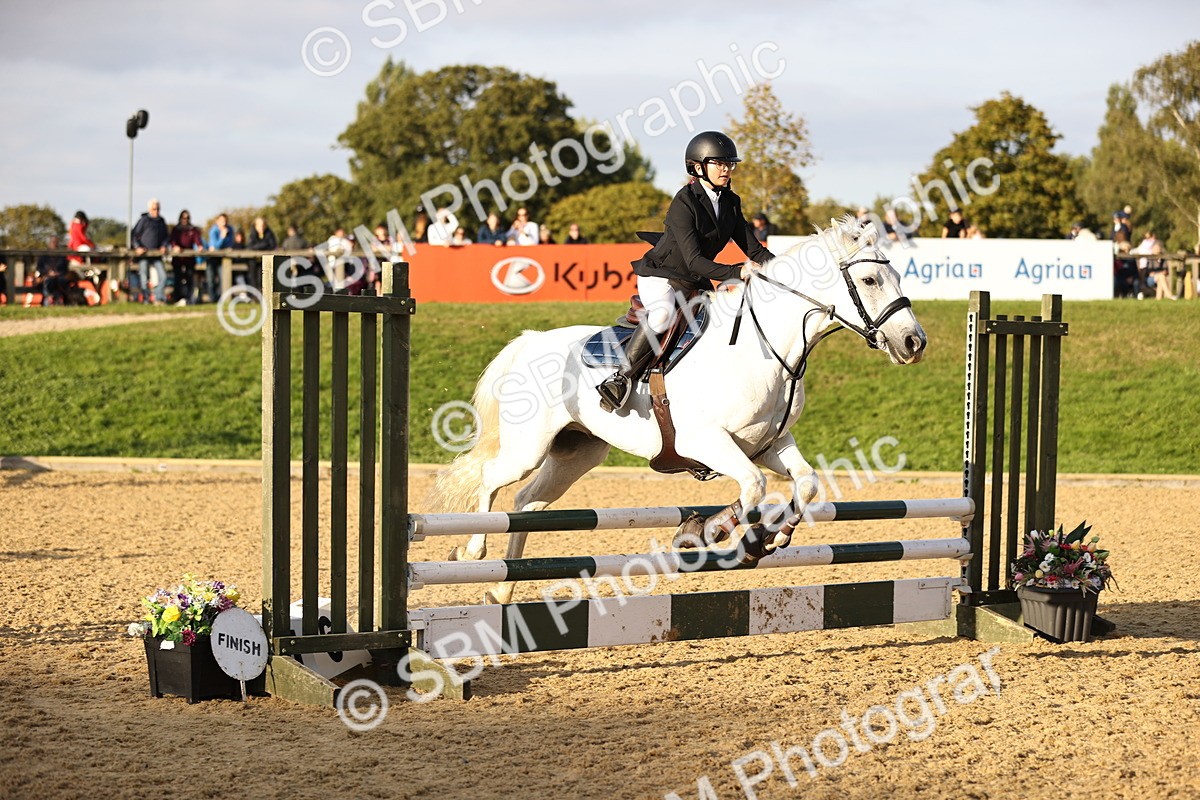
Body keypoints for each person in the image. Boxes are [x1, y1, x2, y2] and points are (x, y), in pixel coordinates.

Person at [597, 130, 774, 412]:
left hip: (693, 280)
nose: (727, 169)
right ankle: (619, 380)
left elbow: (755, 251)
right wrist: (736, 272)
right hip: (662, 275)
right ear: (697, 166)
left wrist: (787, 271)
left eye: (729, 163)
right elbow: (694, 261)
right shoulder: (684, 202)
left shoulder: (731, 202)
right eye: (719, 163)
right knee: (664, 313)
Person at [131, 198, 170, 304]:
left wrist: (164, 246)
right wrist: (137, 246)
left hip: (157, 255)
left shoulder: (161, 221)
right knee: (144, 277)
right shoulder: (143, 220)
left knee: (164, 276)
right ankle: (146, 299)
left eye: (158, 209)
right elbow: (134, 235)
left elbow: (166, 237)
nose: (156, 211)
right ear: (149, 209)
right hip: (144, 254)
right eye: (154, 209)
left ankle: (158, 297)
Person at [169, 210, 203, 305]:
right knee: (177, 279)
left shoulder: (192, 230)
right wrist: (175, 246)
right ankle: (177, 299)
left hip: (189, 259)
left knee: (190, 279)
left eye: (187, 218)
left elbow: (197, 240)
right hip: (178, 259)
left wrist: (199, 246)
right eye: (183, 218)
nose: (185, 220)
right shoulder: (176, 229)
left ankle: (189, 299)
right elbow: (172, 241)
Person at [205, 213, 235, 302]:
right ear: (217, 222)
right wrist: (222, 237)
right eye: (221, 221)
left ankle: (223, 298)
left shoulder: (230, 230)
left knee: (224, 279)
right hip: (212, 258)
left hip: (224, 258)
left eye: (225, 221)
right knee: (211, 279)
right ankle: (212, 299)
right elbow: (216, 246)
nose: (224, 223)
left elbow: (229, 245)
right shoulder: (213, 231)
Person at [36, 234, 69, 305]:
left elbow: (65, 269)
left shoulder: (62, 256)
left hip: (59, 277)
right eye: (53, 242)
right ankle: (48, 301)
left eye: (56, 242)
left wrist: (58, 273)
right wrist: (47, 273)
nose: (54, 244)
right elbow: (39, 268)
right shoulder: (43, 256)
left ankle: (61, 301)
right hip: (46, 277)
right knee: (48, 282)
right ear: (49, 243)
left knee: (62, 281)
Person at [246, 216, 277, 289]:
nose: (261, 227)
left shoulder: (269, 233)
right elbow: (250, 246)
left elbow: (272, 245)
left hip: (265, 260)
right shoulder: (252, 234)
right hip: (253, 260)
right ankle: (254, 293)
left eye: (263, 225)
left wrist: (259, 247)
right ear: (255, 226)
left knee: (262, 277)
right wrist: (264, 245)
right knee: (252, 276)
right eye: (259, 225)